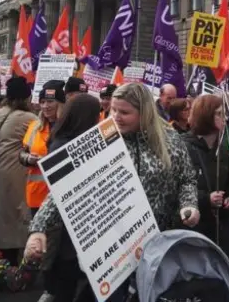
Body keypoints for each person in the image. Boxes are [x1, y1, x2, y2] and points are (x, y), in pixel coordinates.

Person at [25, 83, 200, 300]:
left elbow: (187, 179)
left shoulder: (170, 139)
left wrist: (189, 205)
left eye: (124, 112)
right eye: (113, 110)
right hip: (112, 248)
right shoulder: (100, 139)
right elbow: (65, 189)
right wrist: (38, 229)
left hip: (156, 244)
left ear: (144, 113)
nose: (115, 116)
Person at [37, 93, 106, 302]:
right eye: (97, 114)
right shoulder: (64, 145)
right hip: (68, 230)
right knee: (68, 284)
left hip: (78, 227)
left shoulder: (69, 138)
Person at [182, 94, 229, 281]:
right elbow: (178, 186)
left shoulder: (224, 147)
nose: (224, 118)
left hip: (221, 230)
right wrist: (205, 199)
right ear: (205, 116)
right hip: (195, 230)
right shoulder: (183, 146)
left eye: (224, 113)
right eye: (219, 113)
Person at [0, 77, 37, 266]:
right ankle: (19, 267)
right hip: (17, 170)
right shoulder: (29, 118)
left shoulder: (0, 113)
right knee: (19, 216)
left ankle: (3, 262)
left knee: (3, 216)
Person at [20, 80, 65, 216]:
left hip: (62, 194)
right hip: (38, 195)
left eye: (50, 102)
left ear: (61, 104)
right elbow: (22, 153)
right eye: (43, 102)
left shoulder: (68, 127)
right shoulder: (35, 126)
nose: (45, 106)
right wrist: (29, 159)